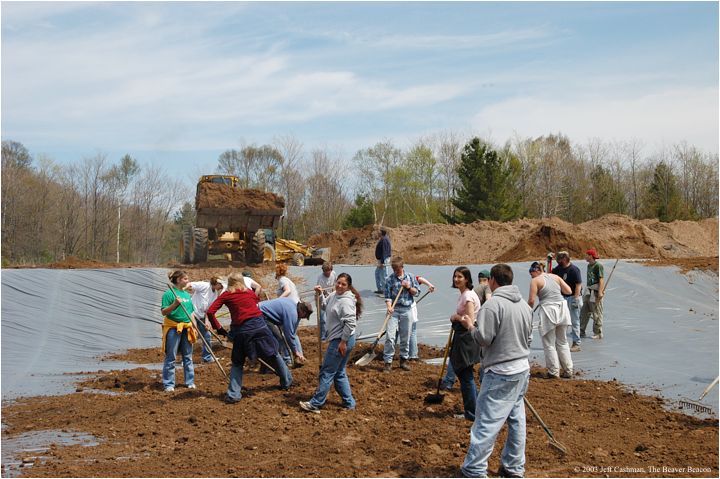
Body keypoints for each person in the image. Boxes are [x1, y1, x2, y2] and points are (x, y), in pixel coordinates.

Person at [456, 264, 533, 478]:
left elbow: (484, 339)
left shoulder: (493, 305)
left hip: (501, 371)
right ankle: (513, 467)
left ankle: (474, 468)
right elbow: (529, 339)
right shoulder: (525, 307)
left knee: (487, 422)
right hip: (521, 369)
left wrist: (470, 326)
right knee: (516, 420)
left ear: (493, 281)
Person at [206, 272, 292, 403]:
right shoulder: (250, 293)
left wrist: (219, 328)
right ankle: (287, 382)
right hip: (260, 326)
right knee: (273, 354)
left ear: (229, 283)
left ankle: (234, 395)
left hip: (241, 331)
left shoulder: (226, 295)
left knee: (237, 362)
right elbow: (256, 301)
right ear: (242, 282)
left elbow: (210, 312)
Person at [300, 273, 363, 413]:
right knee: (339, 372)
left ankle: (316, 403)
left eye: (343, 284)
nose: (339, 286)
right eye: (338, 283)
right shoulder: (334, 295)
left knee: (327, 371)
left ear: (348, 287)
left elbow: (351, 324)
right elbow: (324, 306)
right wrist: (320, 294)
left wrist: (343, 342)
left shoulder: (346, 301)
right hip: (339, 339)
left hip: (342, 340)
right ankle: (349, 402)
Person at [528, 261, 573, 379]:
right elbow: (568, 291)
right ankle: (568, 370)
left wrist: (528, 312)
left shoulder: (535, 281)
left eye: (531, 273)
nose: (531, 276)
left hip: (548, 310)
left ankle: (553, 372)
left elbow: (532, 300)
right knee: (562, 341)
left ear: (536, 271)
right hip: (562, 308)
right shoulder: (555, 277)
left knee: (549, 343)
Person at [448, 267, 482, 421]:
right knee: (465, 374)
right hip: (465, 336)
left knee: (465, 374)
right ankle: (475, 410)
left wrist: (455, 317)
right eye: (455, 276)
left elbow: (469, 319)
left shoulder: (468, 296)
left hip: (466, 337)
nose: (456, 279)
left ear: (467, 279)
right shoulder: (465, 294)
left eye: (460, 277)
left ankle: (472, 413)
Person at [160, 270, 197, 392]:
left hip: (187, 327)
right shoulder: (169, 294)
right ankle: (169, 384)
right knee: (171, 357)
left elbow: (191, 313)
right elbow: (164, 312)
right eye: (185, 279)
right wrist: (175, 304)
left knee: (188, 356)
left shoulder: (186, 295)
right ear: (178, 280)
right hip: (173, 328)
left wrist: (195, 327)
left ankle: (190, 382)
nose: (187, 281)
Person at [382, 256, 420, 372]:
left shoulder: (411, 277)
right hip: (394, 310)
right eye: (394, 269)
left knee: (405, 336)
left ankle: (404, 360)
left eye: (397, 269)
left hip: (406, 309)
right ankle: (388, 362)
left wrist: (409, 287)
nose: (395, 272)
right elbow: (387, 296)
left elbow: (417, 292)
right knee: (390, 336)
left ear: (402, 267)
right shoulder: (389, 279)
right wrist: (389, 307)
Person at [259, 297, 312, 367]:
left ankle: (270, 365)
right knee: (278, 339)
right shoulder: (292, 313)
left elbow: (292, 333)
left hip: (262, 311)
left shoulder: (292, 303)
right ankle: (279, 363)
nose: (303, 318)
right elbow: (289, 336)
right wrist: (295, 352)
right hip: (260, 314)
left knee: (278, 339)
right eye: (304, 316)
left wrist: (297, 352)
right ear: (303, 312)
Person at [185, 276, 225, 363]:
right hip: (192, 315)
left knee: (207, 336)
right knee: (191, 336)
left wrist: (207, 322)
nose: (221, 287)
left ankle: (207, 357)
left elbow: (208, 310)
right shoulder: (204, 286)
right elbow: (190, 285)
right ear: (216, 283)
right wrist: (182, 291)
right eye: (220, 285)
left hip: (202, 317)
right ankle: (186, 359)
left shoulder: (215, 294)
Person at [552, 251, 583, 352]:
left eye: (559, 260)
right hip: (563, 297)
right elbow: (549, 275)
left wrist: (576, 298)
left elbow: (578, 284)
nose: (558, 262)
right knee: (561, 321)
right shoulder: (558, 269)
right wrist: (549, 261)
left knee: (574, 321)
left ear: (565, 259)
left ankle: (576, 343)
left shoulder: (574, 270)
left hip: (573, 297)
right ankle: (561, 342)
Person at [408, 275, 435, 361]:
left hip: (409, 309)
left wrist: (429, 285)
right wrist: (429, 285)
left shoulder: (407, 278)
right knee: (410, 332)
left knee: (411, 331)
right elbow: (418, 278)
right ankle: (411, 354)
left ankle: (412, 355)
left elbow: (419, 278)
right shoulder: (407, 277)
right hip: (402, 310)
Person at [580, 248, 605, 339]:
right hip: (588, 291)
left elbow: (601, 280)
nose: (585, 257)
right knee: (584, 311)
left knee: (596, 312)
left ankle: (598, 333)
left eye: (587, 255)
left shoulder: (598, 266)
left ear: (591, 256)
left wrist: (600, 292)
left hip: (595, 291)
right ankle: (581, 331)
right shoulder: (589, 266)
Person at [315, 261, 337, 340]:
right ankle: (323, 336)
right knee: (323, 319)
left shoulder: (333, 274)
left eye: (329, 271)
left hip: (331, 297)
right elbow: (319, 290)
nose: (327, 273)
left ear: (331, 270)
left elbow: (335, 284)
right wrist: (323, 293)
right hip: (321, 298)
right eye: (325, 271)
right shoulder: (320, 278)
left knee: (331, 317)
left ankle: (331, 333)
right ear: (323, 271)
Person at [374, 227, 392, 294]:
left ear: (381, 232)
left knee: (383, 276)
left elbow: (384, 252)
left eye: (379, 231)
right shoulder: (383, 239)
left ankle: (385, 291)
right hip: (382, 260)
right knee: (377, 274)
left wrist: (382, 262)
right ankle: (380, 289)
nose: (378, 233)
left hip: (383, 260)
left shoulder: (384, 240)